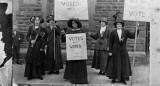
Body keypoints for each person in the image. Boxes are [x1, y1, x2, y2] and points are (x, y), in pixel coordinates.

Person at [106, 13, 140, 85]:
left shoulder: (125, 31)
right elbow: (110, 43)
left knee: (123, 64)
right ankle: (114, 78)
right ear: (116, 25)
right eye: (117, 24)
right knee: (114, 64)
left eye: (120, 24)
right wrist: (110, 51)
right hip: (115, 51)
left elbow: (133, 36)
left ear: (122, 25)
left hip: (123, 51)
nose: (119, 25)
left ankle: (123, 79)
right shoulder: (113, 33)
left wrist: (137, 29)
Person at [63, 18, 88, 84]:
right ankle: (73, 79)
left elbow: (84, 40)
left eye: (75, 23)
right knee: (73, 66)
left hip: (80, 52)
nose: (74, 25)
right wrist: (63, 35)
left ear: (78, 24)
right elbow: (65, 41)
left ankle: (82, 80)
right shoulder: (69, 31)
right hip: (72, 52)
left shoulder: (81, 31)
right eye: (73, 23)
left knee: (80, 65)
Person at [24, 16, 46, 80]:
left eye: (38, 20)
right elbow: (27, 37)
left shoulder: (42, 29)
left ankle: (39, 75)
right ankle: (30, 75)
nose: (37, 21)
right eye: (35, 20)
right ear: (33, 21)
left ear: (40, 21)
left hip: (39, 46)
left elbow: (44, 39)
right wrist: (31, 40)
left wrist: (42, 47)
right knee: (31, 59)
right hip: (32, 46)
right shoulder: (31, 28)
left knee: (39, 60)